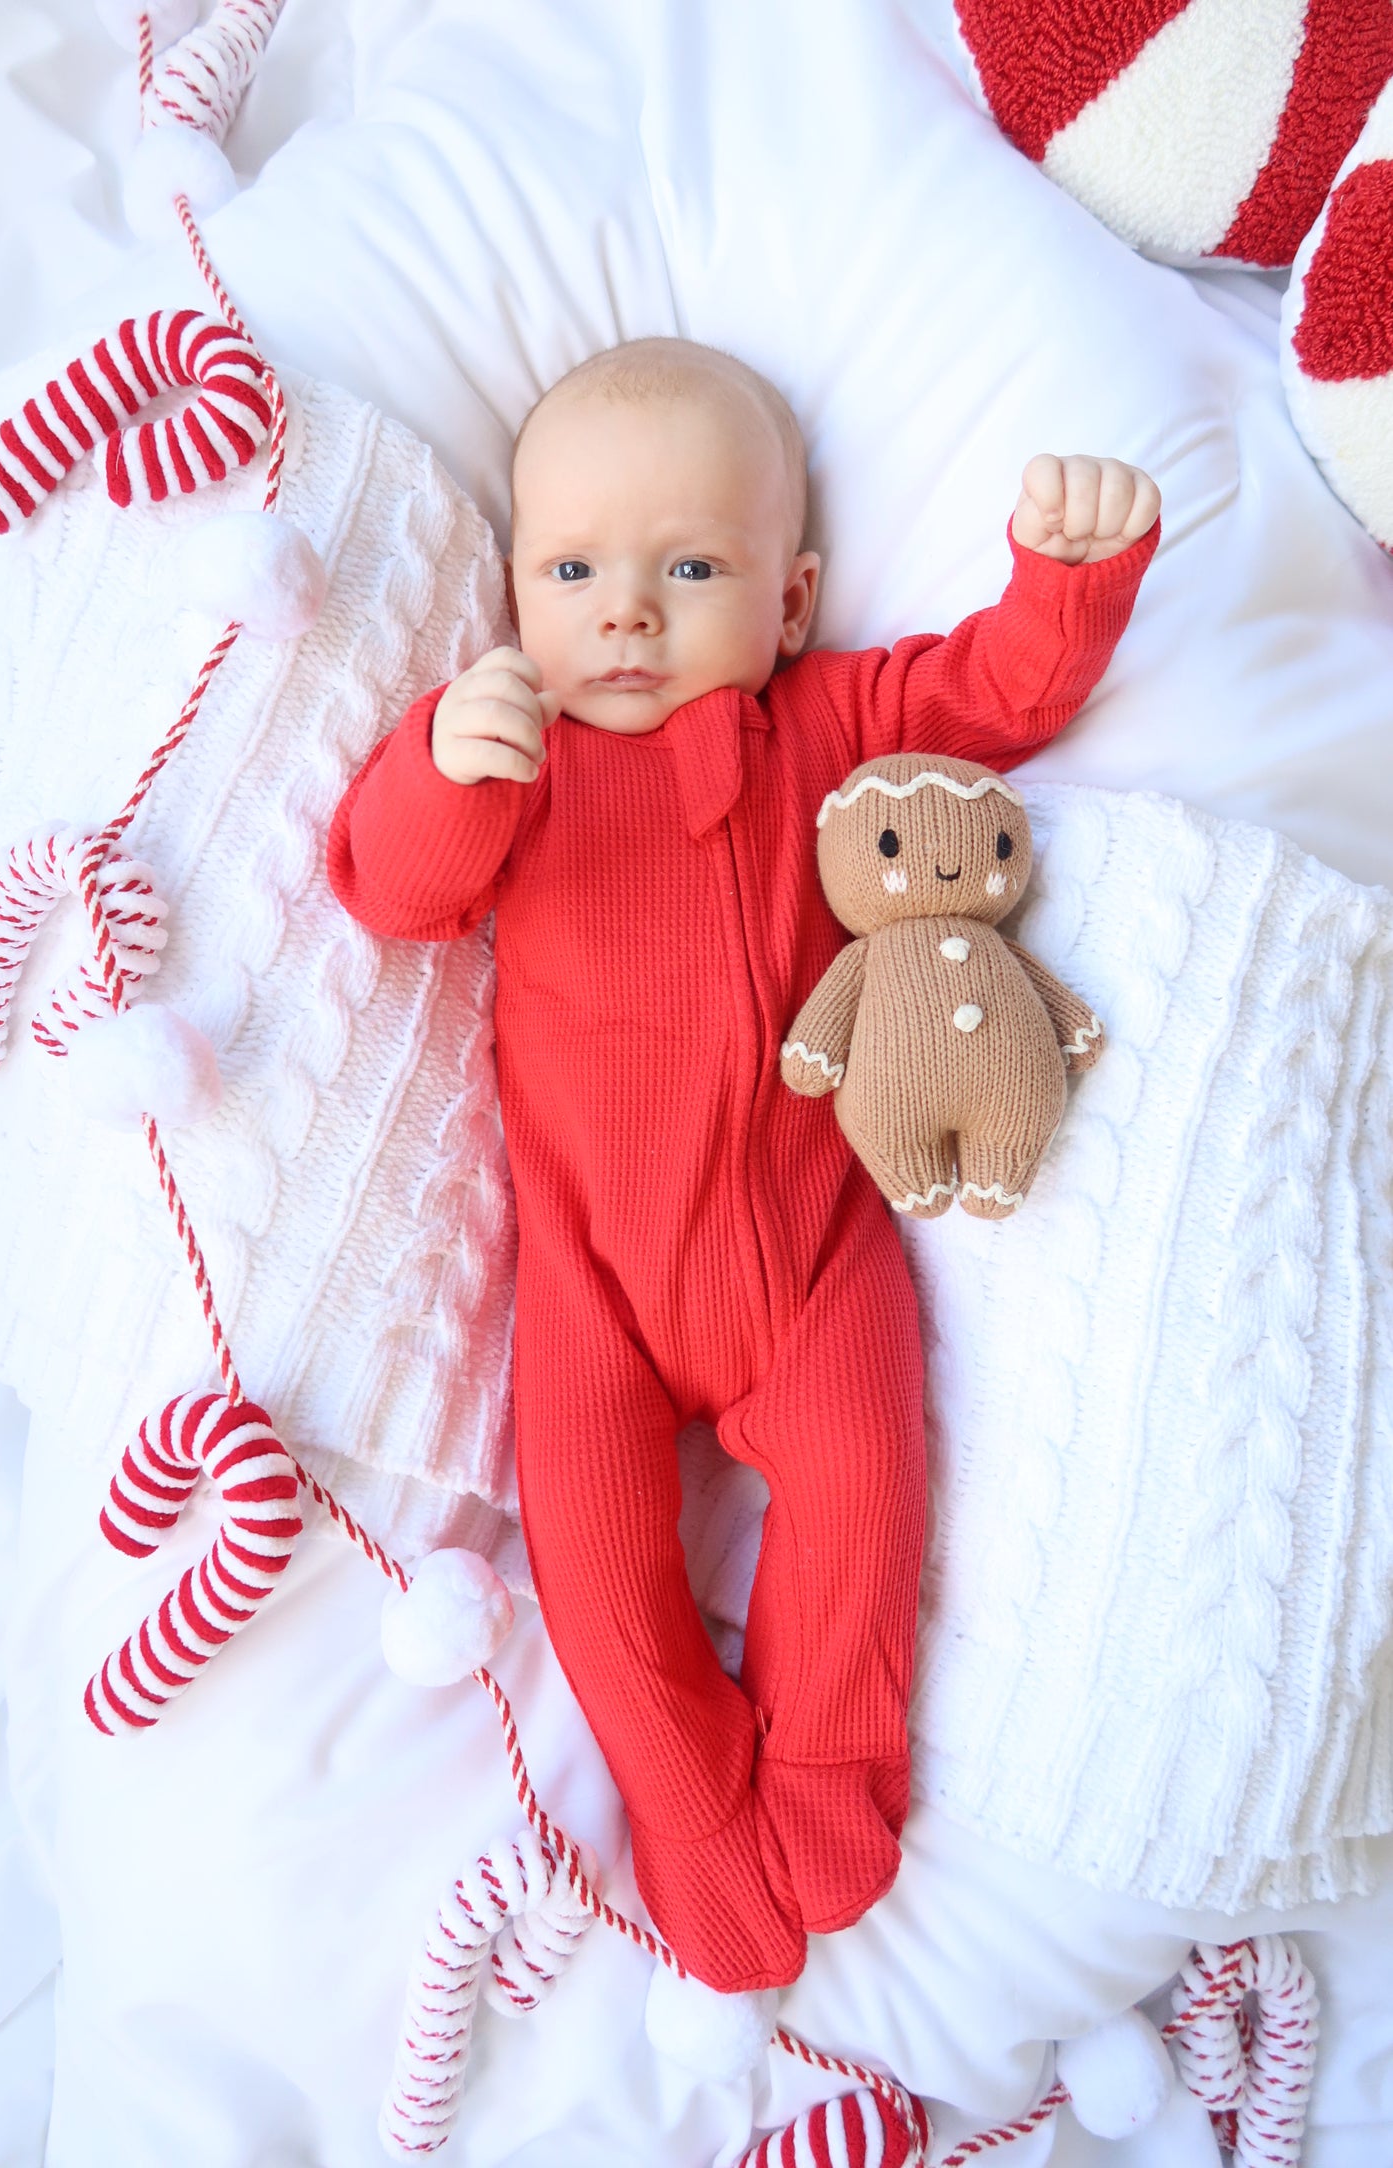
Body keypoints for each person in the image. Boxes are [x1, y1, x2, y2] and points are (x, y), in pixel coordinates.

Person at [328, 337, 1160, 1994]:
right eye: (572, 571)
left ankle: (830, 1762)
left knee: (865, 1488)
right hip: (593, 1293)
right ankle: (689, 1806)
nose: (624, 612)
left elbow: (992, 695)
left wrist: (1066, 580)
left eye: (686, 567)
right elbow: (387, 892)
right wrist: (437, 764)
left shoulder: (823, 729)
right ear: (513, 592)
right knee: (594, 1562)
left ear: (788, 605)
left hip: (810, 1256)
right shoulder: (521, 764)